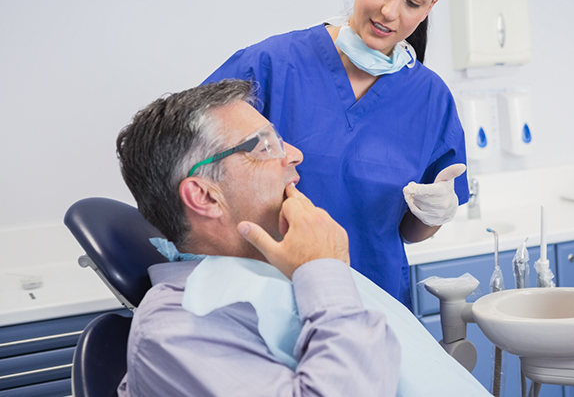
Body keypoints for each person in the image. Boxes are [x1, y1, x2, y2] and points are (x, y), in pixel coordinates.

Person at [203, 0, 469, 308]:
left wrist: (433, 213)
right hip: (266, 297)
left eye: (413, 2)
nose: (390, 12)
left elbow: (409, 233)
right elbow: (190, 157)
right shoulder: (272, 65)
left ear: (430, 7)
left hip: (372, 303)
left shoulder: (431, 100)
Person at [115, 79, 401, 396]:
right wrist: (324, 271)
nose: (295, 154)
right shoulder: (174, 327)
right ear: (205, 197)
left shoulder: (286, 271)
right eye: (263, 147)